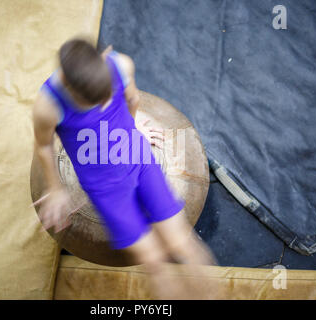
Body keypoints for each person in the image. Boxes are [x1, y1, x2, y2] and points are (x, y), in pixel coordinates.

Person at [32, 37, 217, 299]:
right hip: (106, 190)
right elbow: (43, 146)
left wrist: (134, 128)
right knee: (153, 261)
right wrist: (55, 188)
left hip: (141, 162)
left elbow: (132, 99)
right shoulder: (47, 106)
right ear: (69, 87)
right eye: (97, 104)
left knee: (182, 242)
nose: (106, 106)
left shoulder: (120, 65)